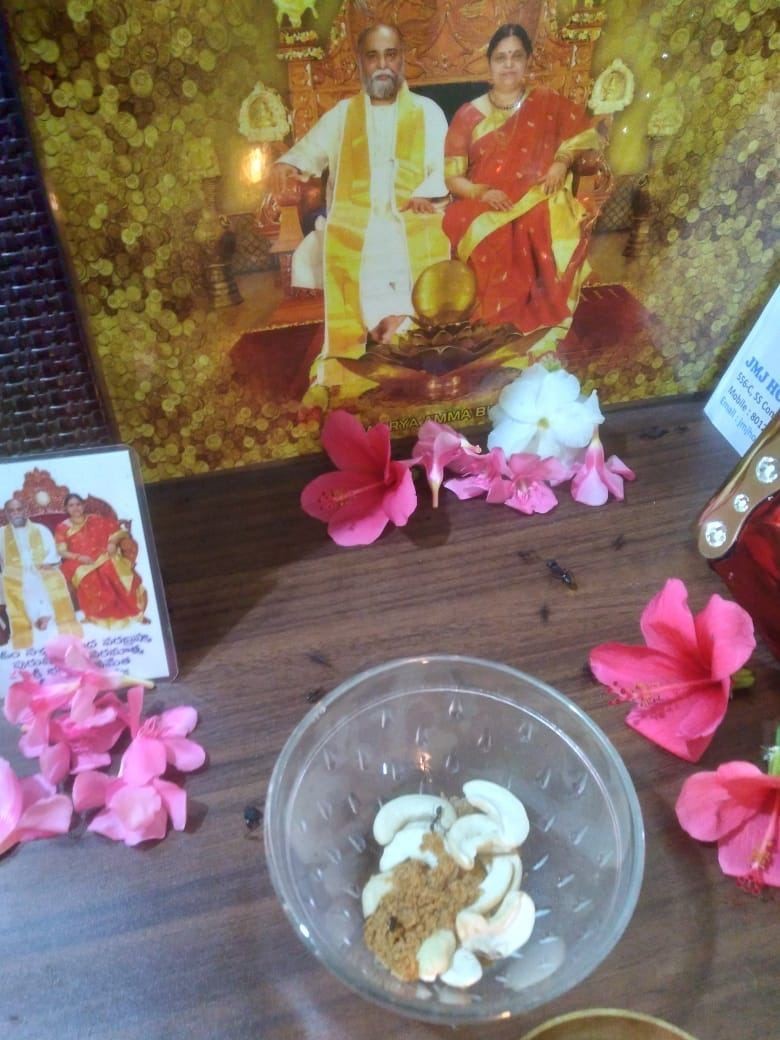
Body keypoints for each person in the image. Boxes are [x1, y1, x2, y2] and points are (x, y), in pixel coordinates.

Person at [271, 23, 451, 398]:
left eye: (391, 55)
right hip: (358, 225)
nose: (382, 65)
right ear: (360, 63)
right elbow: (308, 151)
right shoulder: (342, 114)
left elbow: (445, 169)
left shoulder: (428, 112)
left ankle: (402, 338)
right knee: (353, 257)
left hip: (414, 220)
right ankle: (367, 345)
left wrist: (425, 194)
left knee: (420, 264)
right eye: (373, 56)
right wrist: (287, 165)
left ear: (403, 59)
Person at [442, 24, 604, 341]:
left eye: (516, 56)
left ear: (528, 60)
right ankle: (491, 323)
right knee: (488, 231)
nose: (508, 65)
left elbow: (582, 134)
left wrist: (561, 162)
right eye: (501, 57)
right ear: (489, 64)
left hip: (537, 193)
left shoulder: (546, 101)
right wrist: (482, 193)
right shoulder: (468, 115)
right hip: (483, 198)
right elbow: (452, 177)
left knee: (537, 220)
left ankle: (531, 321)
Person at [0, 498, 82, 650]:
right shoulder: (1, 534)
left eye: (19, 509)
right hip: (15, 576)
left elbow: (52, 550)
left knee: (50, 582)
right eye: (11, 511)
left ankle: (47, 620)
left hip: (42, 570)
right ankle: (35, 625)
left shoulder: (40, 529)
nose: (16, 513)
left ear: (25, 510)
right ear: (6, 514)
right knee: (15, 588)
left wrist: (47, 563)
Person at [55, 494, 148, 627]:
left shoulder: (95, 519)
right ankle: (98, 615)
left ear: (83, 505)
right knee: (90, 577)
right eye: (71, 505)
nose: (75, 508)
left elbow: (119, 531)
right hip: (77, 560)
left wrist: (112, 542)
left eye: (78, 504)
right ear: (66, 508)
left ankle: (133, 612)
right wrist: (79, 557)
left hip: (103, 554)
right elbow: (61, 551)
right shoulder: (62, 527)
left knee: (110, 568)